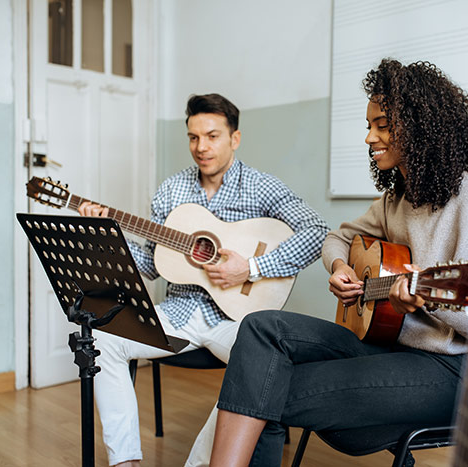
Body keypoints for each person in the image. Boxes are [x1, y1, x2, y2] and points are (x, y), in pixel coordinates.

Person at [207, 59, 468, 466]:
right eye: (368, 125)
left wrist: (429, 299)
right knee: (261, 327)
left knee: (262, 392)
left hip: (450, 373)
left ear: (420, 126)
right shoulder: (397, 199)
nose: (368, 138)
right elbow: (336, 237)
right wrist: (340, 267)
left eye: (382, 125)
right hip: (389, 350)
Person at [77, 93, 329, 467]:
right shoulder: (170, 191)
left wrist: (253, 269)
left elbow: (317, 231)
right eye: (194, 137)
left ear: (235, 138)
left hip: (239, 321)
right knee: (101, 337)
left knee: (256, 368)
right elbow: (150, 264)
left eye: (212, 136)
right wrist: (108, 237)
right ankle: (125, 460)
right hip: (179, 314)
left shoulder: (261, 187)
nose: (201, 147)